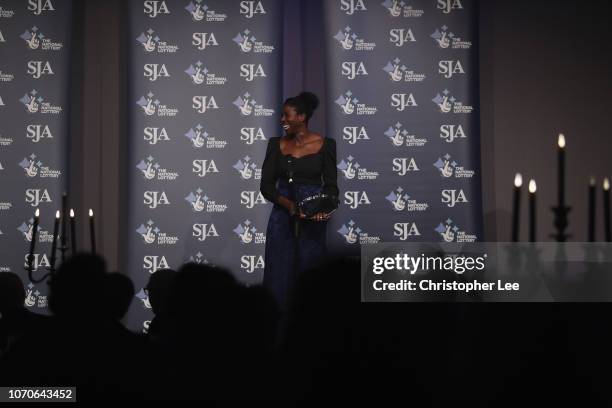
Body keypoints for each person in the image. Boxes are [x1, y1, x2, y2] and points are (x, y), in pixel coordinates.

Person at [260, 91, 339, 309]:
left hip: (312, 219)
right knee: (279, 272)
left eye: (287, 115)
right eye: (282, 116)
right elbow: (266, 186)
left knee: (311, 273)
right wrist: (290, 206)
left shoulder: (326, 145)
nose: (282, 120)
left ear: (302, 117)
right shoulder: (275, 144)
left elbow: (331, 187)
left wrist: (324, 209)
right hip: (281, 218)